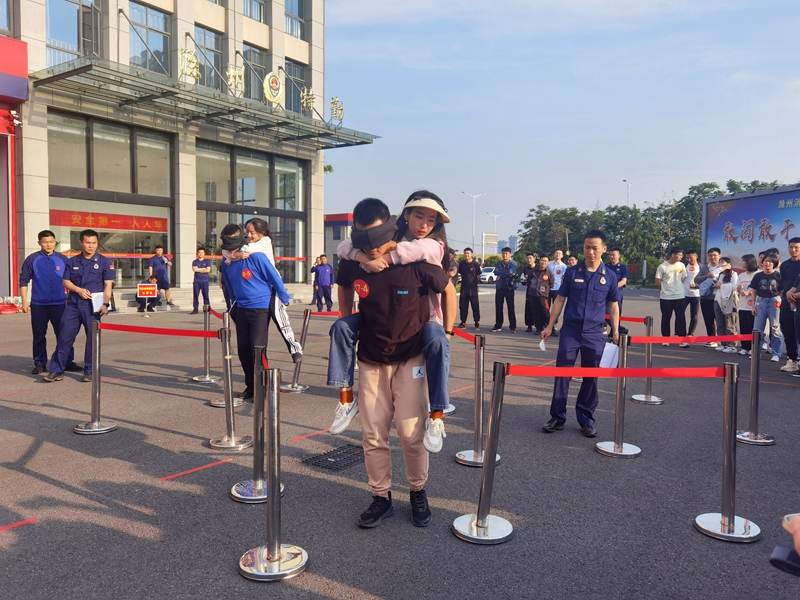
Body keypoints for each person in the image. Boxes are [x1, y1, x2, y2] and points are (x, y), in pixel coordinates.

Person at [335, 198, 455, 528]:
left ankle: (417, 490)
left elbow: (448, 289)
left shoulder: (416, 257)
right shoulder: (354, 259)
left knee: (410, 433)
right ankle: (381, 496)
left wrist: (446, 332)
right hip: (371, 358)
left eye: (375, 239)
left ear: (390, 228)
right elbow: (344, 284)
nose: (371, 247)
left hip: (410, 357)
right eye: (363, 240)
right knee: (373, 434)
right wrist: (348, 320)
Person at [541, 230, 619, 438]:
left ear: (604, 249)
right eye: (587, 247)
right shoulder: (572, 272)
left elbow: (613, 305)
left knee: (591, 377)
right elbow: (560, 299)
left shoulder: (610, 276)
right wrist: (550, 326)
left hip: (595, 333)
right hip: (571, 331)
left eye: (595, 248)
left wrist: (616, 331)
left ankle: (586, 419)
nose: (590, 252)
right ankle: (557, 417)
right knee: (562, 374)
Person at [219, 223, 291, 401]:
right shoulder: (227, 262)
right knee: (243, 350)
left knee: (257, 348)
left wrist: (283, 297)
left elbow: (274, 277)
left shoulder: (256, 257)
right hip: (241, 308)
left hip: (261, 308)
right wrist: (232, 302)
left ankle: (263, 387)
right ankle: (251, 386)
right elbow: (228, 283)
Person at [223, 218, 303, 363]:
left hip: (272, 288)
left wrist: (233, 255)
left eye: (251, 232)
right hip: (253, 296)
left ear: (262, 233)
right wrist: (233, 255)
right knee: (246, 344)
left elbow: (238, 250)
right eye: (246, 232)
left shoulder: (264, 242)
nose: (248, 235)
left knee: (281, 320)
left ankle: (295, 348)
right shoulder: (246, 245)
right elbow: (228, 251)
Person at [43, 229, 114, 383]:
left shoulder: (104, 262)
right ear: (81, 242)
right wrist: (78, 290)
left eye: (94, 243)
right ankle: (57, 370)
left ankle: (89, 371)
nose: (91, 246)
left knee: (92, 340)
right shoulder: (72, 261)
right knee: (64, 338)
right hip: (73, 306)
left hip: (93, 307)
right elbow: (66, 281)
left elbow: (108, 285)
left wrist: (105, 304)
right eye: (88, 243)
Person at [18, 230, 80, 375]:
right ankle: (40, 363)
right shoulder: (32, 259)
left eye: (51, 242)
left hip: (59, 304)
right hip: (39, 304)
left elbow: (71, 280)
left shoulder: (63, 259)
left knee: (64, 334)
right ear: (39, 243)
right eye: (45, 242)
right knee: (39, 335)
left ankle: (67, 361)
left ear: (55, 242)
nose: (49, 245)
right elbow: (24, 280)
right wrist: (24, 302)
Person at [750, 255, 784, 363]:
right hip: (760, 301)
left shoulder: (778, 275)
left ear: (774, 263)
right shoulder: (758, 275)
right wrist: (753, 306)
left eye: (770, 261)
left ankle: (776, 353)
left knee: (775, 328)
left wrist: (778, 299)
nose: (767, 263)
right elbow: (754, 291)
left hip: (774, 301)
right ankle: (756, 353)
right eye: (765, 261)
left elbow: (782, 289)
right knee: (757, 330)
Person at [655, 247, 688, 347]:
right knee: (666, 318)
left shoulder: (681, 265)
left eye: (682, 255)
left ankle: (682, 339)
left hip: (680, 296)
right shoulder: (662, 267)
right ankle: (666, 339)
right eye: (679, 255)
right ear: (673, 255)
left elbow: (683, 278)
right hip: (666, 297)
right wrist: (664, 290)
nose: (681, 257)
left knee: (681, 317)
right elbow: (658, 281)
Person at [693, 247, 723, 347]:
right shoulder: (705, 268)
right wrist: (707, 276)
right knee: (708, 320)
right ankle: (711, 339)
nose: (712, 257)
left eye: (715, 255)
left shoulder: (723, 268)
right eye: (710, 255)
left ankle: (724, 342)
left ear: (719, 256)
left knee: (721, 320)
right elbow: (696, 279)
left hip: (719, 298)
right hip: (706, 297)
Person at [778, 238, 800, 373]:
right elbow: (785, 283)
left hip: (799, 300)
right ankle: (792, 360)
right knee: (787, 329)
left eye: (796, 247)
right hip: (787, 301)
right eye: (791, 247)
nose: (793, 250)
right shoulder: (785, 265)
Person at [713, 257, 739, 354]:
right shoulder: (720, 274)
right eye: (720, 262)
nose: (721, 264)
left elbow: (735, 286)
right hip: (718, 299)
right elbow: (713, 276)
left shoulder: (733, 274)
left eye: (723, 262)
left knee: (729, 322)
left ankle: (731, 345)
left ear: (729, 264)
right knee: (720, 322)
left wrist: (722, 286)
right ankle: (723, 343)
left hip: (729, 300)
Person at [736, 254, 759, 356]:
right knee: (743, 327)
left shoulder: (757, 274)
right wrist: (739, 289)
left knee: (752, 327)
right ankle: (744, 347)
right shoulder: (741, 275)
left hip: (753, 305)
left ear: (749, 262)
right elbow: (737, 289)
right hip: (742, 305)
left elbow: (759, 289)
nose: (741, 263)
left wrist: (749, 293)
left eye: (743, 261)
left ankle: (752, 348)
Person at [491, 247, 518, 333]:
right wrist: (504, 273)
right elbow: (495, 272)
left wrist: (501, 275)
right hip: (499, 288)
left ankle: (512, 326)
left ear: (510, 254)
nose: (504, 255)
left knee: (510, 307)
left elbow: (510, 271)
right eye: (503, 253)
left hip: (509, 288)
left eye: (506, 254)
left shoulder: (513, 263)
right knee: (498, 307)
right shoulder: (499, 263)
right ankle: (498, 325)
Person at [524, 254, 552, 333]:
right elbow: (529, 282)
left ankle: (550, 327)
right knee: (535, 312)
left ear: (548, 262)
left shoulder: (549, 273)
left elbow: (551, 284)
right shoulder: (532, 272)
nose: (543, 262)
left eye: (545, 261)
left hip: (543, 296)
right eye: (542, 260)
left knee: (545, 312)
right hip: (533, 295)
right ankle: (538, 327)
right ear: (539, 261)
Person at [457, 247, 482, 330]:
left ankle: (476, 323)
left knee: (475, 306)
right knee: (463, 306)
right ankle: (463, 322)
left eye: (468, 253)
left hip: (473, 289)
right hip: (464, 289)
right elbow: (459, 274)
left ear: (471, 254)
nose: (466, 255)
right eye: (465, 253)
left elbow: (478, 275)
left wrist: (474, 282)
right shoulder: (461, 264)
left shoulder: (475, 264)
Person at [606, 248, 628, 334]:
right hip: (605, 294)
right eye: (610, 255)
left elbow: (623, 281)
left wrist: (613, 288)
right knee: (604, 313)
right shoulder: (605, 266)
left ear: (619, 255)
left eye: (613, 255)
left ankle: (614, 333)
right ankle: (621, 330)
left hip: (616, 294)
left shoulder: (623, 267)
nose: (612, 257)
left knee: (616, 314)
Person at [547, 249, 567, 336]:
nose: (558, 255)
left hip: (558, 289)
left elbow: (564, 278)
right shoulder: (549, 264)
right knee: (546, 308)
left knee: (556, 308)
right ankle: (547, 324)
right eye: (556, 253)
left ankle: (554, 326)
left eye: (559, 253)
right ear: (554, 254)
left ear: (562, 255)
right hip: (548, 289)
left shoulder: (563, 266)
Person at [683, 249, 702, 336]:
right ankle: (680, 332)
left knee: (694, 316)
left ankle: (690, 333)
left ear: (696, 256)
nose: (689, 260)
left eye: (690, 257)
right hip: (684, 295)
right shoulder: (683, 267)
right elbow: (678, 278)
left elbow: (705, 282)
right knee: (680, 314)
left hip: (696, 295)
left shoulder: (702, 268)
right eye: (687, 258)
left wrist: (697, 285)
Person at [190, 248, 211, 314]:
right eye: (199, 252)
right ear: (197, 253)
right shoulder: (195, 261)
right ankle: (195, 309)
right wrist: (203, 269)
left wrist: (199, 269)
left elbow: (208, 270)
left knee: (206, 295)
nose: (200, 254)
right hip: (197, 281)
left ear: (204, 253)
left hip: (205, 280)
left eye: (202, 253)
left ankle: (207, 309)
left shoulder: (207, 261)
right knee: (196, 295)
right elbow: (194, 270)